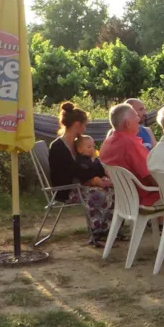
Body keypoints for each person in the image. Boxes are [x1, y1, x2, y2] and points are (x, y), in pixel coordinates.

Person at [47, 102, 114, 247]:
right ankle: (98, 234)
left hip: (79, 184)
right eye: (84, 125)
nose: (85, 128)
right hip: (68, 189)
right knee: (100, 195)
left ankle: (109, 231)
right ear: (77, 125)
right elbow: (76, 172)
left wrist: (99, 175)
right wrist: (94, 177)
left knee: (113, 191)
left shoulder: (78, 144)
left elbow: (85, 170)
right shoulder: (58, 147)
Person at [100, 103, 161, 210]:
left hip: (124, 197)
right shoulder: (130, 144)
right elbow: (150, 175)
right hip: (145, 197)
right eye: (136, 116)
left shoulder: (107, 143)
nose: (139, 119)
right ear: (127, 124)